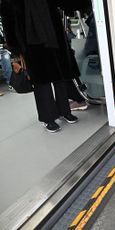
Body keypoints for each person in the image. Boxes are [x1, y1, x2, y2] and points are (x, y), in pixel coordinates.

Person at [0, 0, 91, 132]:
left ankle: (64, 111)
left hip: (54, 36)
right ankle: (47, 118)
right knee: (42, 82)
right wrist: (16, 50)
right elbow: (8, 20)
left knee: (60, 76)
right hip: (30, 41)